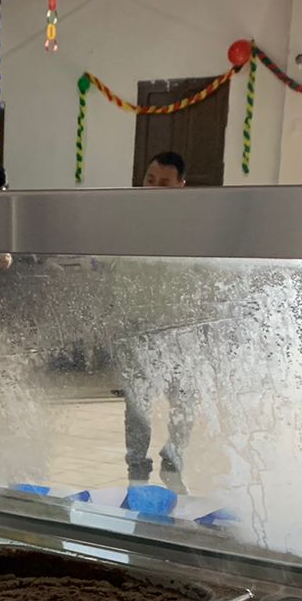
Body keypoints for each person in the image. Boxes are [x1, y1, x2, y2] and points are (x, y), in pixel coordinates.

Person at [122, 150, 194, 488]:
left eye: (163, 183)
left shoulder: (191, 225)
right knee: (137, 406)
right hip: (138, 327)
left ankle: (173, 464)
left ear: (180, 185)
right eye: (149, 180)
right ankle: (136, 472)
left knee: (185, 401)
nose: (153, 188)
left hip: (181, 329)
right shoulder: (129, 220)